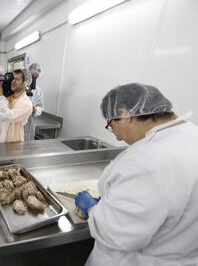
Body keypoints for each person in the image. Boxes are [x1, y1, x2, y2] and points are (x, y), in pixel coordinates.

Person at [75, 83, 198, 265]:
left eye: (111, 125)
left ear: (125, 114)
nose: (116, 137)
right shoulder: (191, 134)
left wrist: (93, 209)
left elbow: (115, 234)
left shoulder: (144, 161)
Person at [0, 69, 33, 143]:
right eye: (12, 78)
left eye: (17, 79)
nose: (13, 81)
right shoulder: (8, 98)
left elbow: (7, 116)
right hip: (0, 139)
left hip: (13, 144)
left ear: (26, 83)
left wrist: (0, 97)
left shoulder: (26, 104)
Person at [24, 63, 44, 141]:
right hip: (18, 121)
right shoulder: (19, 87)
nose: (34, 78)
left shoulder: (38, 91)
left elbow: (40, 106)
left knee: (28, 145)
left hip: (30, 122)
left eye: (36, 76)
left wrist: (35, 110)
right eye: (33, 76)